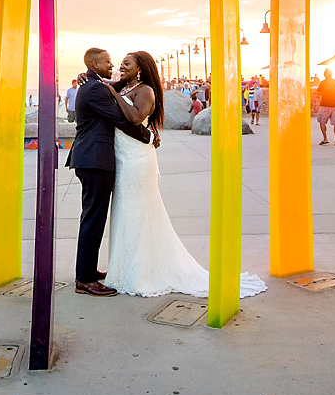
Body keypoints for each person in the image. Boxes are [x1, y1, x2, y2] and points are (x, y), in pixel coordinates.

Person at [104, 50, 265, 299]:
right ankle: (124, 268)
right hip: (123, 155)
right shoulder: (124, 86)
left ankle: (142, 274)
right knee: (124, 210)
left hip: (136, 158)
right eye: (121, 63)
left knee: (137, 211)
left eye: (127, 63)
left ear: (141, 68)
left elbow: (136, 117)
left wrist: (115, 94)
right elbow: (103, 85)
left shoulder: (145, 90)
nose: (121, 66)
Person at [66, 48, 151, 296]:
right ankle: (84, 279)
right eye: (107, 62)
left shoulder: (93, 84)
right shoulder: (94, 89)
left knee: (93, 217)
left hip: (91, 158)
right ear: (94, 64)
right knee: (93, 218)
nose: (112, 65)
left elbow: (117, 87)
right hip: (94, 159)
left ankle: (88, 270)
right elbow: (121, 119)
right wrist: (147, 135)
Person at [316, 67, 335, 145]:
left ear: (325, 74)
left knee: (322, 122)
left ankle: (325, 139)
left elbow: (318, 92)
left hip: (324, 105)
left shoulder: (323, 83)